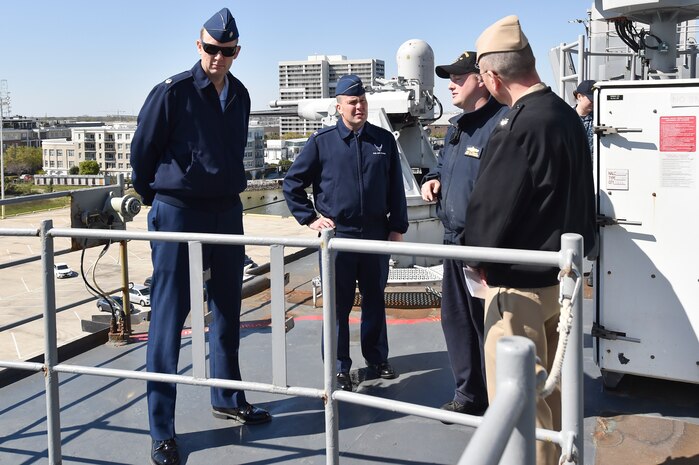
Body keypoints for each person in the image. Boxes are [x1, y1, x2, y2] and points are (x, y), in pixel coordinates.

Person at [131, 8, 271, 465]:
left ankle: (228, 398)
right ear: (199, 46)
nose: (218, 57)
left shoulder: (241, 94)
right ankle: (162, 430)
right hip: (178, 212)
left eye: (227, 51)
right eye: (211, 48)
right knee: (169, 318)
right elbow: (143, 151)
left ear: (236, 52)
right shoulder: (172, 92)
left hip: (226, 212)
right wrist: (159, 195)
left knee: (228, 306)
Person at [462, 15, 596, 465]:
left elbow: (488, 213)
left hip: (517, 290)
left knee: (522, 406)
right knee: (557, 402)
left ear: (493, 76)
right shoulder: (564, 116)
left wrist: (474, 257)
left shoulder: (518, 124)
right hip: (562, 282)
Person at [283, 74, 409, 392]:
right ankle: (340, 367)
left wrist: (397, 228)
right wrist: (309, 218)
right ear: (339, 107)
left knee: (374, 302)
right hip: (338, 238)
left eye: (362, 101)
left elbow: (396, 188)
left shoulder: (383, 141)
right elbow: (292, 184)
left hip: (376, 236)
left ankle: (377, 359)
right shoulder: (321, 143)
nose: (359, 107)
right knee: (338, 306)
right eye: (352, 102)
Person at [421, 51, 508, 417]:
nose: (450, 84)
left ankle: (501, 399)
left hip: (483, 246)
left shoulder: (503, 123)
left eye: (458, 77)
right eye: (449, 78)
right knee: (455, 321)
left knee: (489, 325)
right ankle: (469, 396)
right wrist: (433, 178)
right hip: (453, 242)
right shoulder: (456, 125)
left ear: (481, 78)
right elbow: (443, 163)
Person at [573, 79, 596, 155]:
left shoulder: (599, 119)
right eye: (591, 99)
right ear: (579, 96)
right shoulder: (566, 117)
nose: (594, 102)